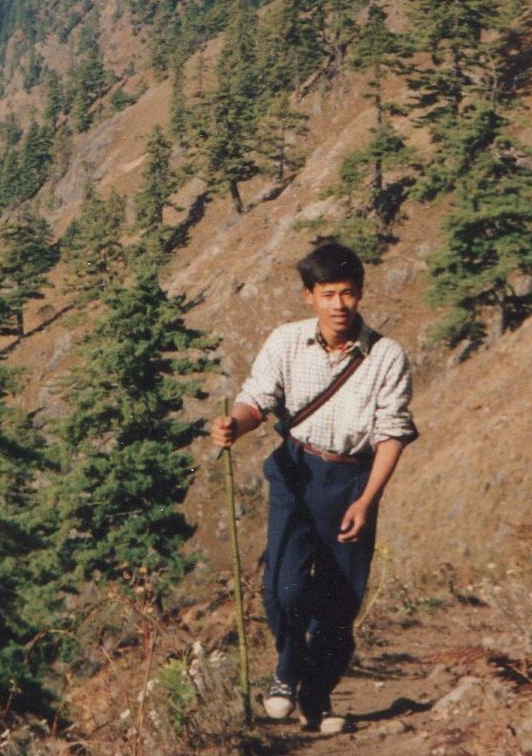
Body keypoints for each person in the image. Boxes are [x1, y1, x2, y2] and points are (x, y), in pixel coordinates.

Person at [210, 238, 417, 734]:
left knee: (340, 601)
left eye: (347, 293)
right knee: (281, 586)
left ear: (361, 294)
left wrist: (368, 500)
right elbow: (258, 399)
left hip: (351, 480)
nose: (339, 305)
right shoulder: (285, 342)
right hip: (295, 472)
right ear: (310, 296)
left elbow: (392, 433)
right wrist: (235, 424)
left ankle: (316, 696)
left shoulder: (387, 356)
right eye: (328, 294)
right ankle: (287, 669)